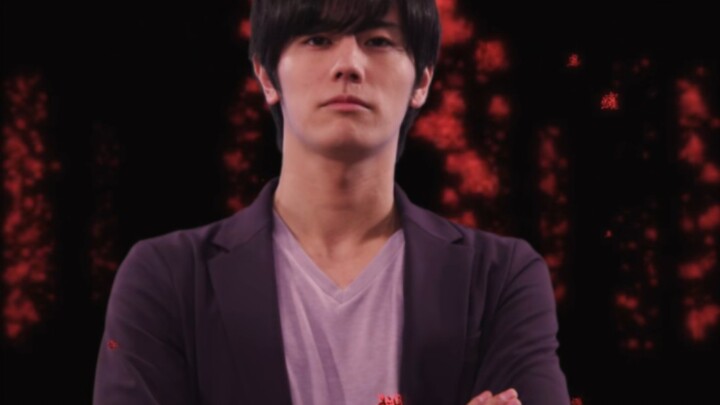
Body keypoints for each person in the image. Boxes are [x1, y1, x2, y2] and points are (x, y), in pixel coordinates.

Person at [92, 0, 570, 404]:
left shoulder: (502, 279)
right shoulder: (165, 279)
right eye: (317, 39)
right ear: (266, 75)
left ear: (422, 81)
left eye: (378, 41)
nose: (349, 64)